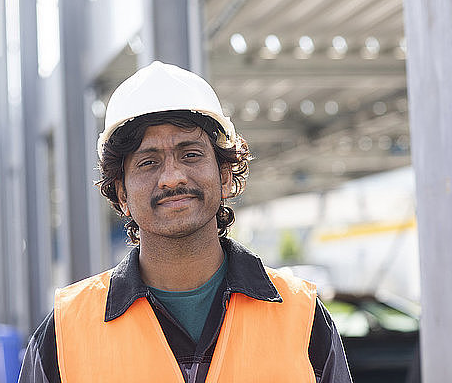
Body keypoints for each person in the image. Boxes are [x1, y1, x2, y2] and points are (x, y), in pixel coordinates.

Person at [18, 61, 353, 383]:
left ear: (224, 175)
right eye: (148, 162)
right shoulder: (65, 334)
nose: (172, 177)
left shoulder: (303, 317)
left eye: (190, 154)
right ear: (121, 194)